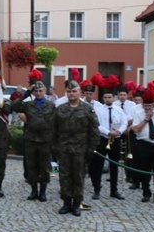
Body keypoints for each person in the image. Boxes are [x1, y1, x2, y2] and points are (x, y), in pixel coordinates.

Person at [53, 80, 99, 216]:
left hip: (81, 150)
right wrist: (54, 148)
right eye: (69, 91)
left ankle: (76, 204)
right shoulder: (60, 109)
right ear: (66, 92)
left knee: (78, 177)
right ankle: (66, 202)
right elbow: (53, 130)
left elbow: (94, 131)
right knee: (64, 176)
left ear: (80, 92)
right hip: (64, 149)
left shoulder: (87, 109)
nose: (71, 94)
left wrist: (91, 149)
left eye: (74, 91)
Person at [10, 80, 55, 202]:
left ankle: (43, 192)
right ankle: (34, 190)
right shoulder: (28, 104)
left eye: (41, 91)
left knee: (45, 166)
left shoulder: (51, 105)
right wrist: (26, 94)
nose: (39, 93)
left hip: (45, 140)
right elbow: (13, 106)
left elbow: (55, 123)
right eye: (36, 91)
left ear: (45, 92)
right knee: (32, 166)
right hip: (31, 139)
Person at [89, 87, 127, 200]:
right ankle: (96, 189)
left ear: (113, 98)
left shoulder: (119, 110)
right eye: (105, 97)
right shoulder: (99, 110)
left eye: (109, 97)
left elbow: (124, 122)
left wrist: (119, 131)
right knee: (98, 165)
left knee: (114, 165)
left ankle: (114, 190)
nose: (107, 99)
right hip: (103, 138)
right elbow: (97, 124)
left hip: (116, 139)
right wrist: (108, 132)